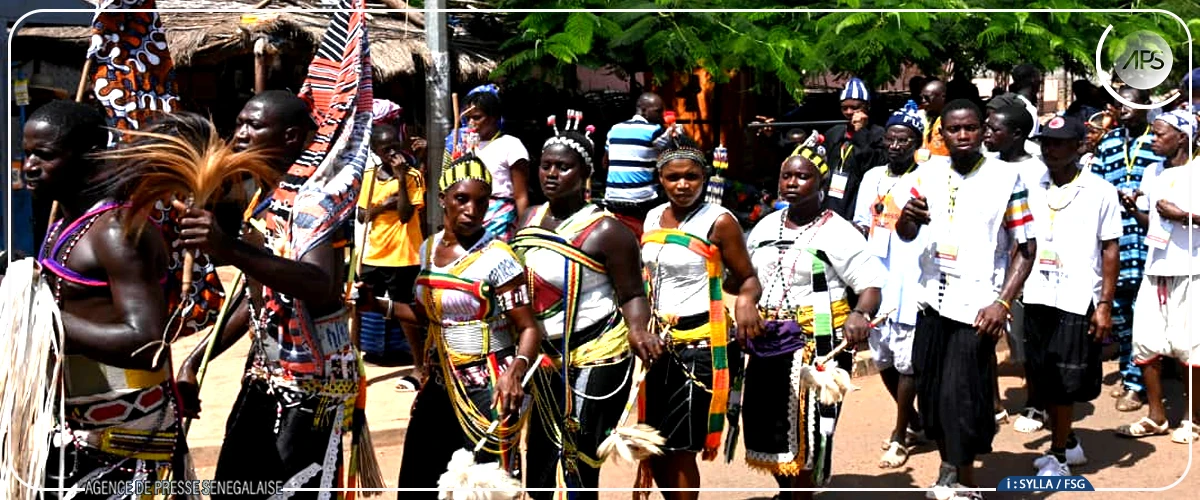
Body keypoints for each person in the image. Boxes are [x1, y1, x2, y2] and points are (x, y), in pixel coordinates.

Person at [172, 90, 356, 498]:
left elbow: (319, 284)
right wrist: (194, 359)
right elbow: (256, 296)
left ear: (291, 136)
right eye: (239, 124)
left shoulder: (315, 200)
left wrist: (228, 249)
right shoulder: (264, 199)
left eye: (253, 125)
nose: (239, 135)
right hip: (266, 374)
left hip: (309, 385)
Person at [361, 154, 544, 498]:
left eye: (481, 202)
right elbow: (426, 315)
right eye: (462, 199)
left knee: (482, 487)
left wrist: (515, 372)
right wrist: (378, 305)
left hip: (487, 387)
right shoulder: (428, 249)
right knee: (418, 480)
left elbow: (528, 328)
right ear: (443, 198)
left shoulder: (499, 258)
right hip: (440, 381)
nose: (472, 210)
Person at [24, 100, 177, 497]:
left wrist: (39, 315)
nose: (30, 166)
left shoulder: (116, 232)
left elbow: (147, 344)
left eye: (45, 155)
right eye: (27, 154)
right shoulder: (66, 225)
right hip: (78, 431)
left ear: (90, 155)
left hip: (124, 437)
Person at [511, 116, 662, 498]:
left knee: (577, 455)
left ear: (586, 173)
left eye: (563, 167)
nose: (551, 174)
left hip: (596, 355)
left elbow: (632, 293)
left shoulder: (608, 231)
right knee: (541, 453)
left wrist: (638, 329)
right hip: (543, 355)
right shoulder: (529, 218)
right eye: (546, 165)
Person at [895, 99, 1036, 498]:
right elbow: (905, 233)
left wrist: (1002, 303)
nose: (963, 135)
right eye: (954, 129)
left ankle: (965, 479)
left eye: (970, 128)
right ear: (941, 134)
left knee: (960, 392)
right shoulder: (927, 174)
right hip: (931, 299)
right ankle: (948, 465)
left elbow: (1026, 249)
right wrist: (908, 217)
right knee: (931, 390)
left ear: (983, 131)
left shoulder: (1006, 178)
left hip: (977, 304)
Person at [743, 147, 885, 499]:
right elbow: (747, 278)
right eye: (787, 176)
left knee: (810, 428)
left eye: (802, 176)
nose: (792, 183)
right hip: (769, 340)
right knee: (769, 425)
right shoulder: (765, 226)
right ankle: (788, 491)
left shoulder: (839, 231)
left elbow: (870, 285)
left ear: (820, 183)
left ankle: (801, 494)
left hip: (819, 345)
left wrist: (859, 314)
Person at [639, 134, 762, 497]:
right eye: (673, 177)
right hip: (658, 346)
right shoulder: (652, 217)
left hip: (701, 347)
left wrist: (745, 300)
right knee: (654, 445)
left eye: (691, 176)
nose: (682, 185)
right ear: (660, 179)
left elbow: (747, 278)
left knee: (680, 449)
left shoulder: (719, 222)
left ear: (704, 177)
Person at [1020, 115, 1121, 476]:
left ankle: (1059, 457)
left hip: (1076, 298)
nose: (1050, 149)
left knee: (1064, 381)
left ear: (1078, 147)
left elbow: (1110, 249)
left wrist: (1104, 304)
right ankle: (1071, 441)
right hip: (1036, 293)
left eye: (1059, 143)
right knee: (1041, 375)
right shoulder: (1032, 186)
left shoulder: (1100, 190)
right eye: (1046, 142)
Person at [1115, 110, 1200, 444]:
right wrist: (1133, 208)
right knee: (1146, 341)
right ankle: (1156, 416)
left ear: (1182, 138)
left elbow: (1178, 219)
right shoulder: (1152, 172)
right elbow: (1152, 224)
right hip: (1155, 268)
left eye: (1160, 134)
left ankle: (1193, 419)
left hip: (1191, 269)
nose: (1153, 140)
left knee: (1191, 346)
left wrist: (1185, 216)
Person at [851, 100, 926, 469]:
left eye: (904, 140)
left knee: (906, 360)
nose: (895, 146)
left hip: (909, 277)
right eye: (891, 139)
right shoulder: (872, 178)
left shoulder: (925, 179)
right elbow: (861, 224)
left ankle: (900, 435)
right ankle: (915, 422)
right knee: (882, 357)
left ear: (917, 143)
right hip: (876, 277)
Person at [1086, 86, 1163, 412]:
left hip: (1148, 241)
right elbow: (1095, 186)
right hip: (1116, 241)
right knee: (1118, 312)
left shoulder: (1159, 141)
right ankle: (1130, 370)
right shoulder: (1109, 143)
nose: (1124, 108)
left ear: (1146, 105)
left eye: (1131, 102)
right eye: (1119, 103)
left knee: (1143, 313)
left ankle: (1136, 383)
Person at [981, 103, 1045, 432]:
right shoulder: (985, 166)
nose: (986, 134)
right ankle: (992, 404)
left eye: (994, 129)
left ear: (1017, 134)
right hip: (991, 266)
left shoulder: (1038, 170)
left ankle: (1037, 402)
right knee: (986, 337)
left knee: (1026, 340)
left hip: (1027, 264)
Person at [357, 123, 426, 389]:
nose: (393, 153)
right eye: (386, 149)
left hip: (403, 253)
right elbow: (362, 215)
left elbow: (406, 214)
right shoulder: (369, 177)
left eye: (396, 147)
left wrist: (400, 180)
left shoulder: (412, 175)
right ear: (376, 151)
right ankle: (354, 365)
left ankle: (419, 367)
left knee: (405, 311)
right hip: (374, 252)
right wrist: (385, 205)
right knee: (358, 305)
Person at [446, 84, 531, 241]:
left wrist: (524, 234)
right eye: (468, 118)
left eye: (477, 117)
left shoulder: (511, 145)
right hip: (467, 215)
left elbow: (521, 195)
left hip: (500, 219)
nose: (471, 123)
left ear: (494, 118)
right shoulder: (464, 146)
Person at [603, 92, 671, 236]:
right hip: (642, 200)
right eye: (658, 111)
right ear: (644, 110)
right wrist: (673, 134)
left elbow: (605, 163)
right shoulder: (655, 130)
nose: (662, 116)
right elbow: (671, 160)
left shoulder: (614, 129)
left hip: (612, 198)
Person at [821, 77, 886, 221]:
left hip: (857, 202)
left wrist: (861, 132)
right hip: (831, 199)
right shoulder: (834, 133)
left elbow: (871, 166)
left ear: (867, 106)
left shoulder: (878, 134)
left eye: (855, 107)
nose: (849, 112)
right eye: (844, 108)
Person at [918, 79, 950, 162]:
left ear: (943, 97)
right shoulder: (931, 119)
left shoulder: (951, 121)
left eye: (927, 98)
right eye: (921, 97)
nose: (923, 101)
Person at [1009, 64, 1044, 137]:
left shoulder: (1012, 101)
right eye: (1039, 79)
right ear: (1033, 79)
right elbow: (1029, 138)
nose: (1040, 82)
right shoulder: (1027, 108)